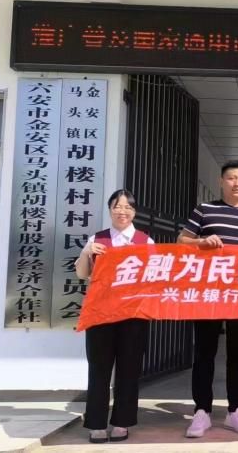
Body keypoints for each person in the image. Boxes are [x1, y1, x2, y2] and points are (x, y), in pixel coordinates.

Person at [179, 160, 238, 438]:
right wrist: (201, 242)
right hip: (208, 293)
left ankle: (236, 410)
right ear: (221, 181)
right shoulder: (204, 209)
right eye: (231, 178)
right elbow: (182, 241)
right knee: (204, 352)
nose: (237, 183)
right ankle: (201, 411)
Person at [75, 189, 154, 444]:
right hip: (100, 315)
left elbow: (154, 278)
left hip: (133, 316)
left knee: (129, 370)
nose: (123, 211)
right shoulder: (97, 239)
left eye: (128, 207)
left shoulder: (145, 241)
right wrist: (87, 252)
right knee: (99, 369)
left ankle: (122, 422)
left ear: (134, 212)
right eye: (117, 206)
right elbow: (82, 274)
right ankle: (96, 423)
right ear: (110, 210)